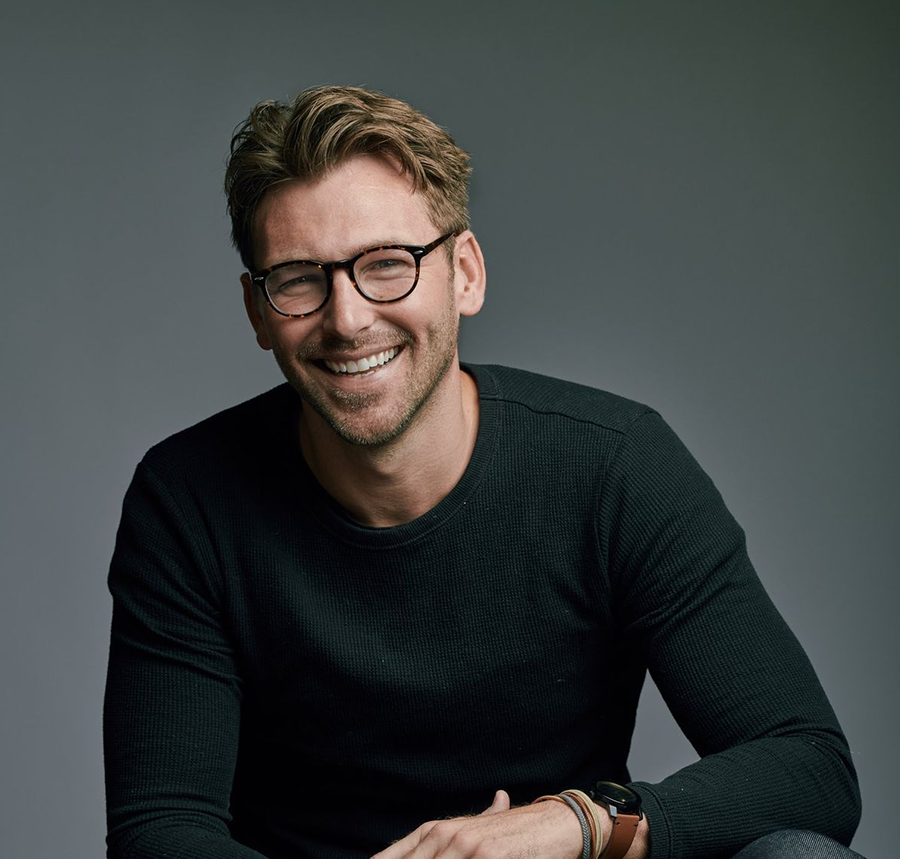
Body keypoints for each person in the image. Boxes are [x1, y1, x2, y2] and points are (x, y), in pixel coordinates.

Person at [103, 85, 863, 859]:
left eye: (387, 264)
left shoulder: (613, 464)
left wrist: (575, 823)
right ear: (258, 311)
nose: (348, 317)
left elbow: (809, 766)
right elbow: (160, 830)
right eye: (299, 278)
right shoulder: (189, 499)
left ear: (465, 273)